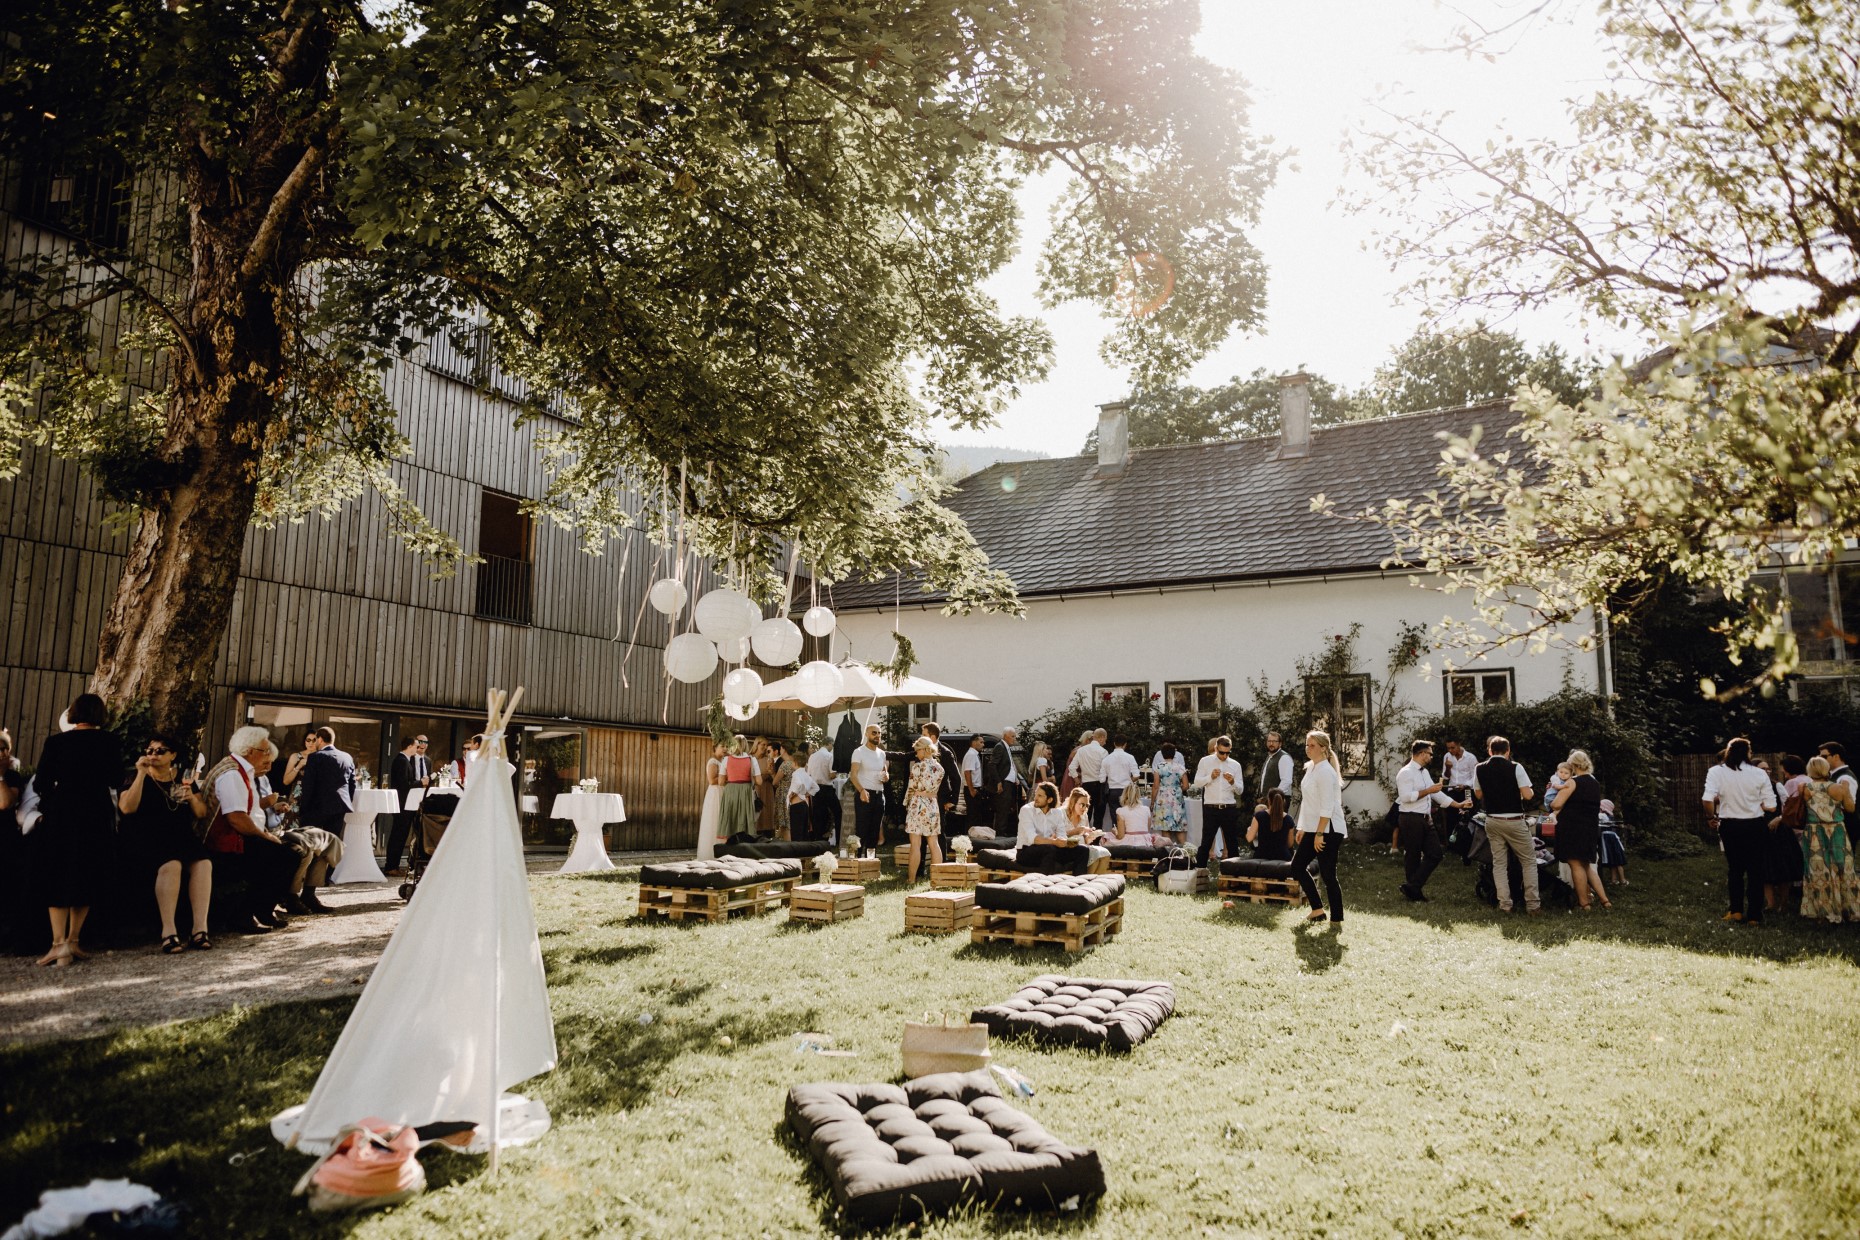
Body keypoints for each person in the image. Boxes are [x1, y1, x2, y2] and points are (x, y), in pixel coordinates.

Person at [28, 693, 119, 967]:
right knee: (87, 871)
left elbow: (40, 782)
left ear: (74, 713)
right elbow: (116, 778)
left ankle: (58, 945)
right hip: (95, 812)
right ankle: (75, 939)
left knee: (57, 872)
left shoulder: (57, 742)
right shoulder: (110, 741)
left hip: (63, 812)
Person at [118, 732, 213, 953]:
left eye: (160, 751)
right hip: (147, 838)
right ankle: (168, 931)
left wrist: (190, 798)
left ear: (173, 755)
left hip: (180, 836)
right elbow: (126, 808)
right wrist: (141, 774)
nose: (153, 755)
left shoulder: (183, 778)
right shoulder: (135, 776)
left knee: (203, 864)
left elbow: (201, 813)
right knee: (172, 865)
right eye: (149, 750)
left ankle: (200, 929)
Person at [202, 725, 300, 934]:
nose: (267, 756)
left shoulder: (237, 769)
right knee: (285, 856)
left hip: (233, 836)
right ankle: (246, 914)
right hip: (221, 841)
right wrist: (264, 836)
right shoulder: (232, 774)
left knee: (288, 853)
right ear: (249, 751)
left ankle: (260, 911)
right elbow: (237, 819)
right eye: (264, 751)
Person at [1702, 737, 1776, 924]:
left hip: (1730, 825)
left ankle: (1735, 911)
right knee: (1755, 871)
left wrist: (1711, 818)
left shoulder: (1716, 772)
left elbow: (1707, 799)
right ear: (1748, 753)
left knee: (1735, 869)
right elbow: (1771, 806)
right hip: (1755, 825)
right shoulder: (1759, 774)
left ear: (1728, 751)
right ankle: (1755, 916)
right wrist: (1755, 802)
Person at [1473, 735, 1539, 915]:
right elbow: (1528, 795)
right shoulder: (1516, 767)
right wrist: (1527, 789)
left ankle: (1505, 904)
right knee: (1528, 861)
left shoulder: (1479, 768)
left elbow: (1478, 795)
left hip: (1493, 820)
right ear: (1508, 751)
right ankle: (1532, 905)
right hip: (1514, 820)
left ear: (1489, 751)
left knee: (1499, 863)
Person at [1396, 740, 1464, 903]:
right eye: (1430, 753)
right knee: (1413, 856)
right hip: (1411, 817)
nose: (1432, 756)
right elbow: (1405, 797)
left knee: (1435, 854)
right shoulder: (1405, 773)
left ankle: (1412, 886)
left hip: (1425, 819)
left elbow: (1436, 794)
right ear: (1421, 753)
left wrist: (1457, 805)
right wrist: (1428, 790)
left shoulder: (1424, 772)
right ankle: (1414, 893)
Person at [1291, 729, 1346, 924]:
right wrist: (1303, 828)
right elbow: (1308, 802)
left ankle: (1336, 919)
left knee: (1328, 874)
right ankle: (1317, 910)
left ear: (1323, 748)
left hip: (1328, 830)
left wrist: (1320, 833)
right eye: (1306, 744)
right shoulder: (1312, 768)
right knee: (1297, 867)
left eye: (1312, 745)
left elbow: (1327, 806)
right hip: (1315, 828)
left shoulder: (1325, 771)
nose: (1308, 748)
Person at [1799, 755, 1860, 923]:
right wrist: (1846, 791)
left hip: (1814, 832)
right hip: (1836, 830)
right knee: (1843, 868)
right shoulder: (1838, 788)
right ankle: (1847, 908)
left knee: (1817, 871)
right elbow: (1850, 808)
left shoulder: (1804, 787)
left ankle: (1820, 910)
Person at [1554, 748, 1614, 913]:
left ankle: (1584, 903)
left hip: (1573, 828)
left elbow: (1556, 804)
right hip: (1589, 828)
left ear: (1573, 765)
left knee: (1576, 865)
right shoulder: (1595, 783)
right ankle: (1605, 900)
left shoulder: (1573, 782)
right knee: (1587, 865)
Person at [1192, 735, 1245, 873]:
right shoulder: (1205, 761)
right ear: (1215, 748)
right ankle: (1199, 873)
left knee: (1232, 842)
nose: (1224, 756)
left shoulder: (1235, 765)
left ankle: (1234, 875)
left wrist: (1233, 782)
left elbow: (1240, 790)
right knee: (1206, 842)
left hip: (1229, 807)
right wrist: (1210, 777)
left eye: (1228, 753)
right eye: (1221, 752)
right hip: (1211, 807)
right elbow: (1197, 782)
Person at [1764, 754, 1809, 914]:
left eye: (1766, 769)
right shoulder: (1808, 780)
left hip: (1782, 827)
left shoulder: (1789, 783)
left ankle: (1780, 901)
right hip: (1806, 825)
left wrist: (1779, 818)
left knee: (1780, 862)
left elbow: (1787, 807)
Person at [297, 726, 357, 842]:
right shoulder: (347, 757)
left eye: (315, 740)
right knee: (332, 845)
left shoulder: (315, 757)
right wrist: (345, 801)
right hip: (339, 808)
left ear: (320, 739)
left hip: (316, 808)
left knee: (311, 844)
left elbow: (308, 785)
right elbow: (352, 784)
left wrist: (303, 808)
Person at [385, 733, 431, 877]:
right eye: (416, 746)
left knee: (401, 834)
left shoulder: (405, 760)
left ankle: (394, 865)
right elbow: (404, 784)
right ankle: (391, 866)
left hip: (407, 803)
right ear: (410, 746)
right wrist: (421, 783)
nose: (418, 748)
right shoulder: (402, 761)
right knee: (398, 835)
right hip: (403, 803)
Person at [903, 737, 945, 883]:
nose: (916, 754)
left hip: (917, 804)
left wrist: (907, 803)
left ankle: (911, 879)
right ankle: (938, 879)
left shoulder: (917, 767)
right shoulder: (940, 768)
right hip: (933, 804)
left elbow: (910, 788)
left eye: (917, 750)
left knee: (915, 844)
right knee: (934, 843)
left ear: (924, 749)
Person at [849, 723, 889, 852]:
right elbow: (853, 775)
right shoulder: (859, 752)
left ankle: (871, 863)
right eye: (874, 733)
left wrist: (886, 776)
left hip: (879, 795)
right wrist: (861, 790)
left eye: (879, 733)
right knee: (862, 829)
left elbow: (884, 771)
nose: (877, 736)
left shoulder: (882, 753)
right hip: (864, 793)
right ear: (866, 734)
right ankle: (858, 861)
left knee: (875, 829)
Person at [921, 722, 961, 841]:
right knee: (923, 831)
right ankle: (922, 860)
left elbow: (956, 777)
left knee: (939, 831)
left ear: (932, 737)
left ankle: (942, 859)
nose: (921, 737)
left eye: (924, 735)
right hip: (925, 797)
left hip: (940, 797)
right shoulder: (922, 750)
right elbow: (906, 756)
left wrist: (953, 800)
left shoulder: (945, 753)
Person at [986, 727, 1028, 839]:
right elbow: (992, 765)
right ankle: (1000, 835)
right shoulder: (1000, 746)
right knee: (1002, 810)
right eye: (1013, 736)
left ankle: (1003, 833)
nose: (1014, 739)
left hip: (1009, 783)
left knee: (1007, 809)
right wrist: (998, 781)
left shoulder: (1006, 747)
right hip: (1004, 783)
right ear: (1006, 736)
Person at [718, 735, 759, 838]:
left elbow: (721, 782)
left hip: (730, 791)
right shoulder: (752, 760)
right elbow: (759, 781)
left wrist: (732, 778)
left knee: (729, 819)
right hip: (746, 792)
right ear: (746, 745)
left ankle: (728, 849)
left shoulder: (726, 759)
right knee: (745, 821)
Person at [1068, 729, 1108, 830]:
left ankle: (1084, 838)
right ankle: (1096, 840)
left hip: (1086, 785)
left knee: (1085, 814)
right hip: (1099, 785)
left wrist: (1077, 779)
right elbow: (1106, 770)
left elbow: (1071, 767)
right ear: (1101, 737)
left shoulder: (1081, 750)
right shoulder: (1103, 752)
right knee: (1098, 815)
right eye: (1105, 739)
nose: (1105, 742)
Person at [1149, 741, 1188, 845]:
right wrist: (1177, 789)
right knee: (1179, 827)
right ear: (1174, 754)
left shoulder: (1159, 767)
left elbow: (1156, 786)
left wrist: (1152, 802)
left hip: (1163, 799)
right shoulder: (1180, 767)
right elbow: (1186, 785)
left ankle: (1169, 855)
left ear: (1162, 754)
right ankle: (1187, 853)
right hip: (1177, 800)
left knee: (1165, 827)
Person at [1100, 736, 1140, 831]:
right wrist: (1129, 780)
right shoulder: (1130, 757)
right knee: (1129, 815)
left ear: (1114, 744)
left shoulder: (1107, 759)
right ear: (1125, 744)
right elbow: (1136, 775)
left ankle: (1118, 836)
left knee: (1115, 816)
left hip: (1112, 790)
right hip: (1127, 791)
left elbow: (1101, 779)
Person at [806, 737, 839, 844]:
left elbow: (809, 774)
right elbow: (831, 775)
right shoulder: (830, 756)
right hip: (826, 788)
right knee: (838, 812)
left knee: (818, 814)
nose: (832, 748)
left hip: (815, 788)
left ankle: (818, 839)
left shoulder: (812, 756)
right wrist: (837, 773)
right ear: (829, 744)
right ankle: (838, 839)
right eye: (832, 745)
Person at [696, 741, 725, 858]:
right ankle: (710, 853)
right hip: (715, 793)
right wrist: (727, 776)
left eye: (726, 746)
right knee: (714, 819)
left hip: (723, 792)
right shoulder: (713, 762)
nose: (725, 748)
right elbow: (712, 780)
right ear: (715, 748)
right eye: (722, 746)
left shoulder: (723, 761)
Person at [1246, 791, 1293, 861]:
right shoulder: (1289, 819)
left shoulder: (1259, 816)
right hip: (1283, 857)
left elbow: (1249, 838)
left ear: (1269, 800)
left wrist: (1249, 831)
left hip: (1262, 855)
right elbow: (1290, 844)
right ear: (1283, 801)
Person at [1113, 782, 1157, 847]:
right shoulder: (1146, 809)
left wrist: (1115, 832)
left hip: (1129, 843)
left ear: (1124, 795)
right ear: (1138, 795)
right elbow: (1147, 830)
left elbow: (1121, 836)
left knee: (1106, 838)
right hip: (1146, 842)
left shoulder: (1121, 811)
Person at [769, 740, 798, 840]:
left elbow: (775, 782)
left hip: (783, 795)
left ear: (784, 749)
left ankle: (787, 844)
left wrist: (772, 773)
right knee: (788, 822)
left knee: (784, 824)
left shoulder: (785, 765)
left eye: (781, 748)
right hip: (793, 794)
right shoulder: (795, 763)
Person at [1258, 731, 1295, 804]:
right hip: (1268, 800)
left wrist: (1274, 797)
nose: (1271, 744)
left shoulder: (1284, 757)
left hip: (1278, 801)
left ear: (1280, 744)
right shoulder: (1270, 756)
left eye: (1274, 741)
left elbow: (1286, 781)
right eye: (1269, 741)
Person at [787, 762, 820, 841]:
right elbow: (816, 788)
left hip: (796, 805)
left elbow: (799, 784)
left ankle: (797, 852)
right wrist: (806, 794)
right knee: (804, 833)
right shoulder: (806, 775)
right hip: (804, 804)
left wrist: (794, 793)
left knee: (796, 833)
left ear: (795, 763)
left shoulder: (796, 773)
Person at [1058, 729, 1092, 799]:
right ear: (1088, 740)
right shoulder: (1079, 751)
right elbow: (1070, 768)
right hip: (1073, 779)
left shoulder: (1078, 749)